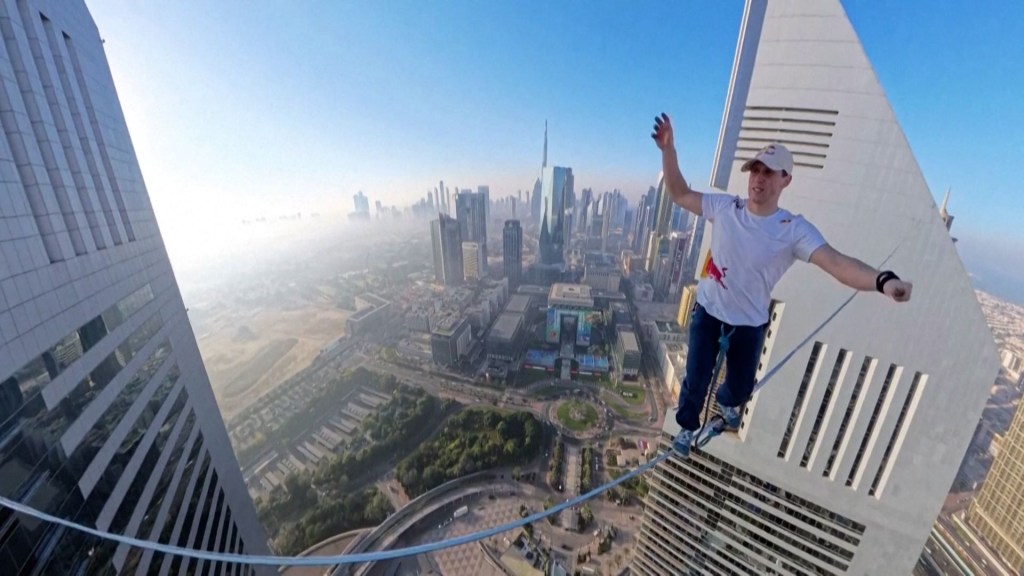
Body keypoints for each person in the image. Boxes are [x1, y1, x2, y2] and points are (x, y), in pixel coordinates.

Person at [650, 112, 913, 457]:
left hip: (750, 323)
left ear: (786, 179)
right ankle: (686, 428)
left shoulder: (793, 229)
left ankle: (728, 405)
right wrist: (668, 150)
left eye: (768, 171)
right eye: (755, 170)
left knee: (741, 388)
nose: (758, 178)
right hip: (710, 310)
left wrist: (883, 280)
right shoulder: (726, 206)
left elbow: (836, 263)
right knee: (695, 381)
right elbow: (680, 194)